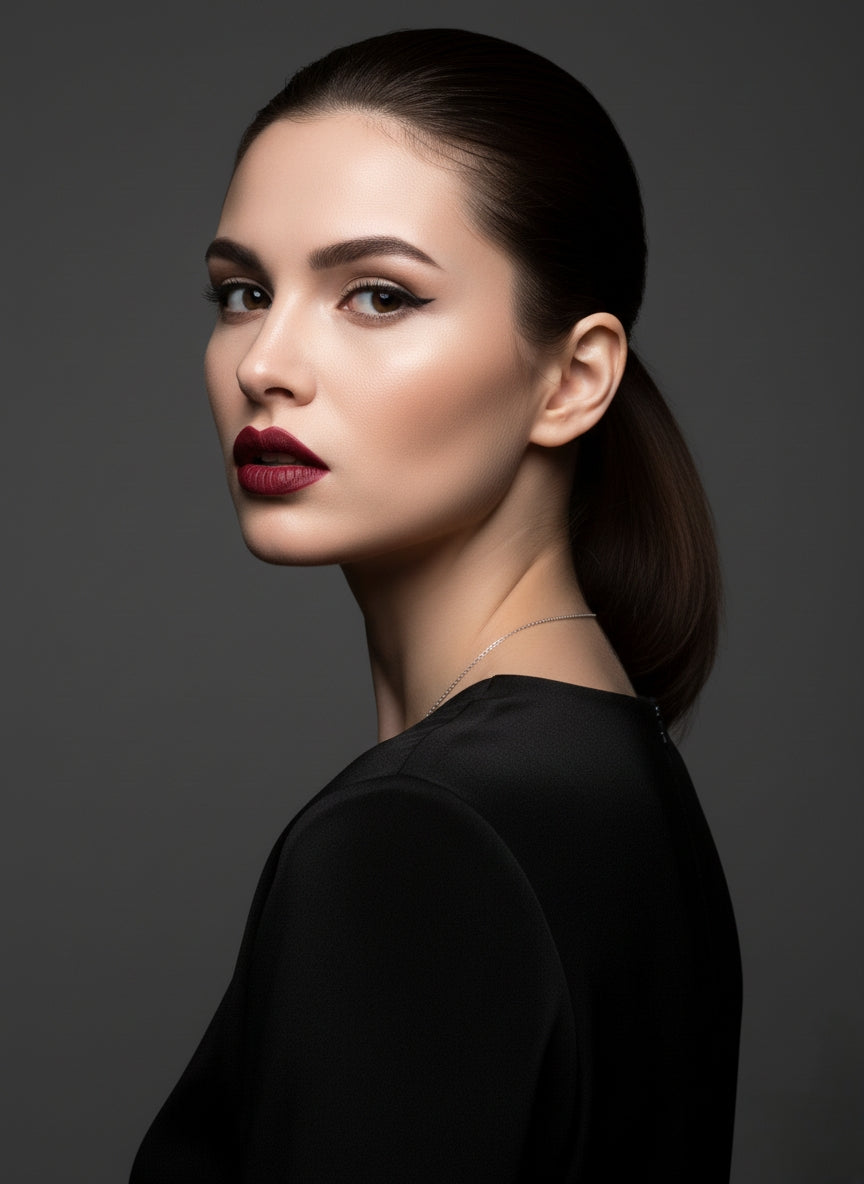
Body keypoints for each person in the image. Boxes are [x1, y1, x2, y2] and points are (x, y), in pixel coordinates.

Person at [130, 28, 741, 1183]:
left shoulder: (417, 837)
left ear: (573, 378)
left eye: (376, 294)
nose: (268, 359)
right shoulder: (617, 768)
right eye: (243, 291)